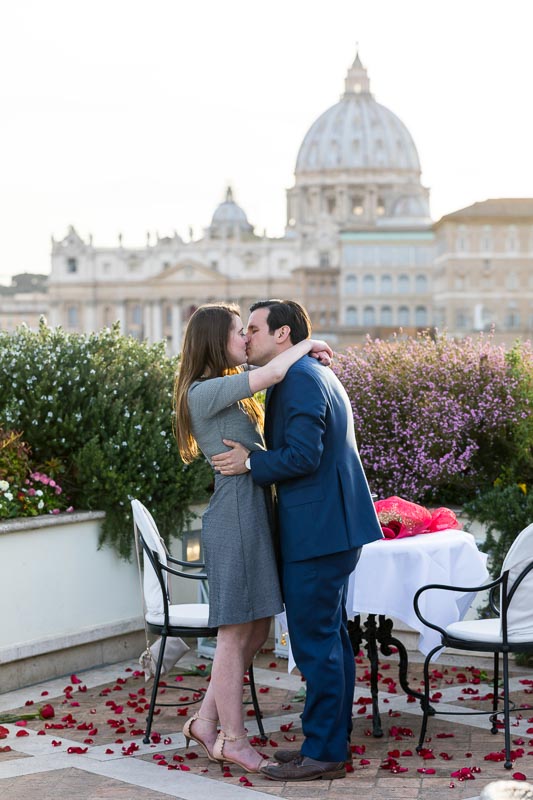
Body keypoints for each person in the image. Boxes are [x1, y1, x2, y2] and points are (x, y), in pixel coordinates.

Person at [211, 299, 383, 782]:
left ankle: (325, 752)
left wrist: (251, 463)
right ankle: (328, 741)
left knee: (315, 645)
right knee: (328, 640)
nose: (247, 337)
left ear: (282, 334)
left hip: (319, 532)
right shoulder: (307, 372)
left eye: (254, 329)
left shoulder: (303, 379)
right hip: (330, 528)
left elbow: (304, 456)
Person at [173, 302, 332, 774]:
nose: (245, 339)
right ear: (214, 340)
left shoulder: (226, 390)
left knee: (256, 627)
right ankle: (232, 739)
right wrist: (308, 342)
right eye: (239, 332)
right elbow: (276, 371)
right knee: (234, 632)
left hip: (252, 512)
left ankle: (205, 721)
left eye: (248, 331)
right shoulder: (204, 391)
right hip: (236, 516)